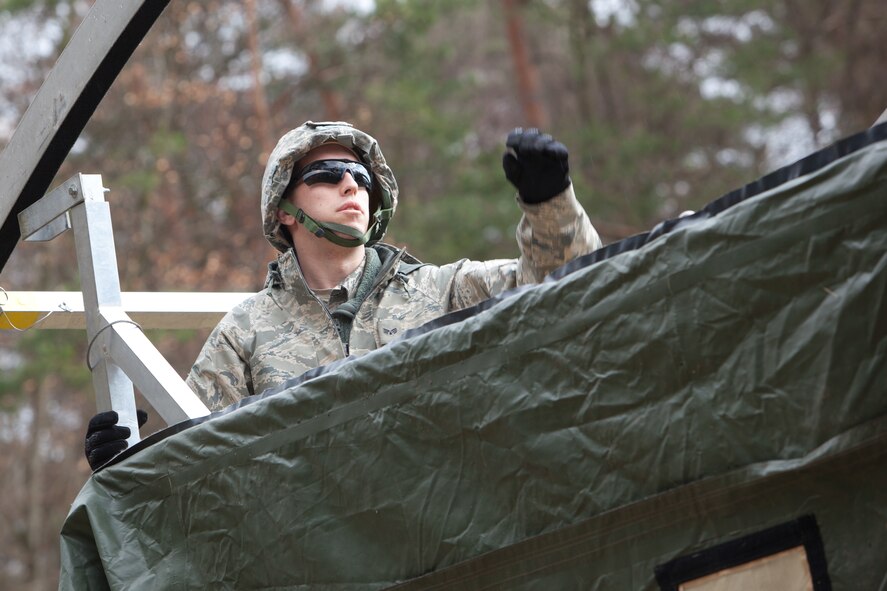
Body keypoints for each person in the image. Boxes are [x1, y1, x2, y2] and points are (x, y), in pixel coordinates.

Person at [85, 121, 602, 469]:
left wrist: (549, 203)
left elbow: (568, 284)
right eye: (327, 176)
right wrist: (125, 459)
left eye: (360, 177)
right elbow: (192, 460)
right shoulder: (245, 333)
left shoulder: (444, 290)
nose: (351, 185)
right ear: (285, 210)